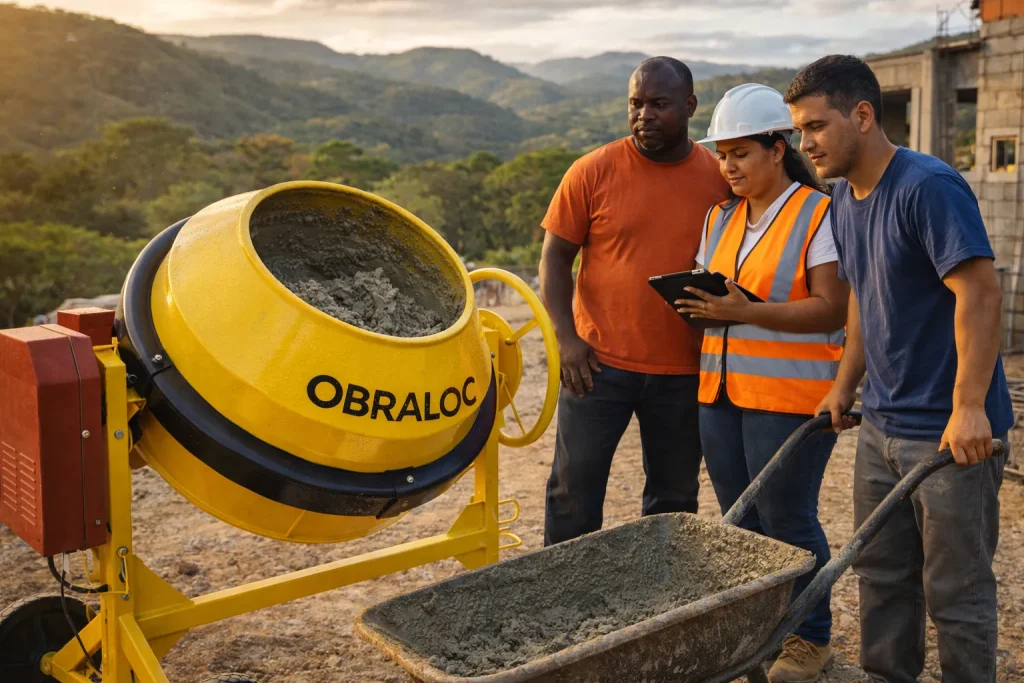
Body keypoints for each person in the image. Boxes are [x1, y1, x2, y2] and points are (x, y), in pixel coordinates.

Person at [786, 55, 1013, 683]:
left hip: (949, 436)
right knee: (882, 577)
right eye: (799, 131)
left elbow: (980, 292)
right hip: (883, 428)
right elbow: (862, 296)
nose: (805, 144)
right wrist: (843, 385)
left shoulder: (927, 187)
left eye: (815, 127)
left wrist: (969, 407)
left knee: (956, 594)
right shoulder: (842, 197)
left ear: (862, 115)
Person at [674, 83, 849, 682]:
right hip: (720, 395)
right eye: (723, 155)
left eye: (741, 153)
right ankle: (759, 635)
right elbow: (714, 294)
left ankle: (810, 639)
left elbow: (832, 309)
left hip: (791, 398)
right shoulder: (718, 217)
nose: (728, 167)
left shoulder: (817, 213)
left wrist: (740, 312)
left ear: (778, 150)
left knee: (788, 519)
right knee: (739, 521)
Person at [539, 56, 730, 546]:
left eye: (659, 104)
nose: (644, 114)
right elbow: (555, 260)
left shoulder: (719, 178)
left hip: (685, 369)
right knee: (572, 494)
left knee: (674, 499)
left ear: (689, 106)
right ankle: (560, 603)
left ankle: (659, 611)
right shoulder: (591, 171)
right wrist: (566, 339)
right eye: (635, 103)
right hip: (596, 366)